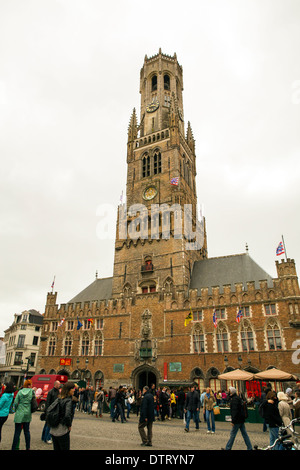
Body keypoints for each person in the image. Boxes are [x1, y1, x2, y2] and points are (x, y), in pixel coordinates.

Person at [49, 382, 75, 450]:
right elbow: (67, 415)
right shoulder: (68, 401)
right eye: (73, 388)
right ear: (68, 390)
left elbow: (49, 409)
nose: (74, 390)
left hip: (53, 429)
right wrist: (69, 425)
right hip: (62, 430)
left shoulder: (59, 398)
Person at [11, 379, 35, 450]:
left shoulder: (20, 392)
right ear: (29, 385)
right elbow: (34, 402)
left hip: (19, 413)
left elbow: (15, 402)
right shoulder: (32, 392)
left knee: (17, 432)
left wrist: (15, 409)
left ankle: (13, 447)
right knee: (27, 431)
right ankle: (28, 447)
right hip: (27, 413)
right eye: (31, 384)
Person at [41, 379, 61, 444]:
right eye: (58, 384)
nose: (59, 385)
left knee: (47, 424)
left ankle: (43, 437)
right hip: (51, 411)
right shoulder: (51, 392)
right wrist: (48, 410)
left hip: (52, 410)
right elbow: (48, 402)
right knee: (49, 425)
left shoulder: (57, 392)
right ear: (55, 385)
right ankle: (47, 438)